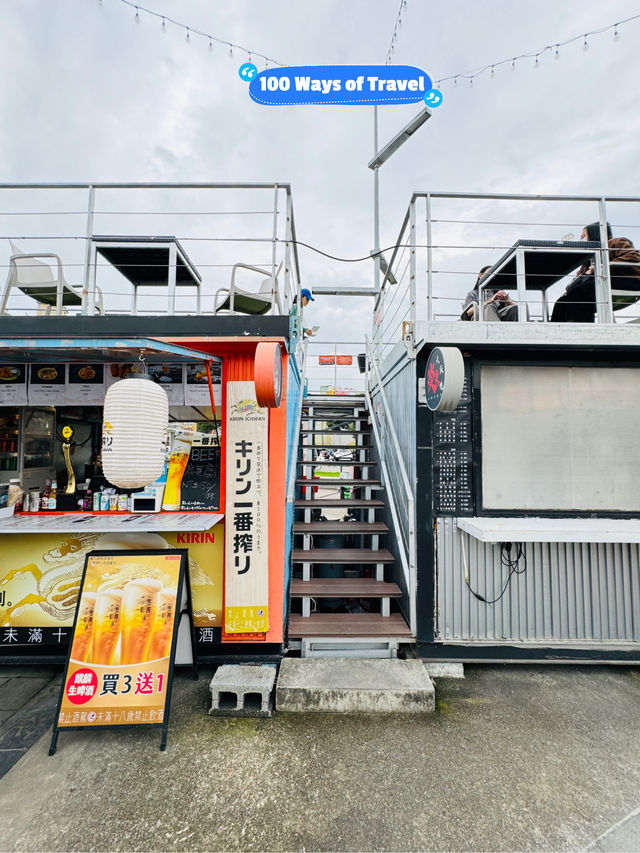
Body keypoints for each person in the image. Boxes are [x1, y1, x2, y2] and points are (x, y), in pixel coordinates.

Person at [550, 222, 613, 322]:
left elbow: (632, 258)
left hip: (613, 280)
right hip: (594, 283)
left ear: (594, 233)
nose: (581, 238)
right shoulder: (588, 258)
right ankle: (556, 331)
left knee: (579, 291)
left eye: (584, 235)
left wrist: (601, 267)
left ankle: (583, 327)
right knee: (562, 301)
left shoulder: (615, 243)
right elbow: (580, 275)